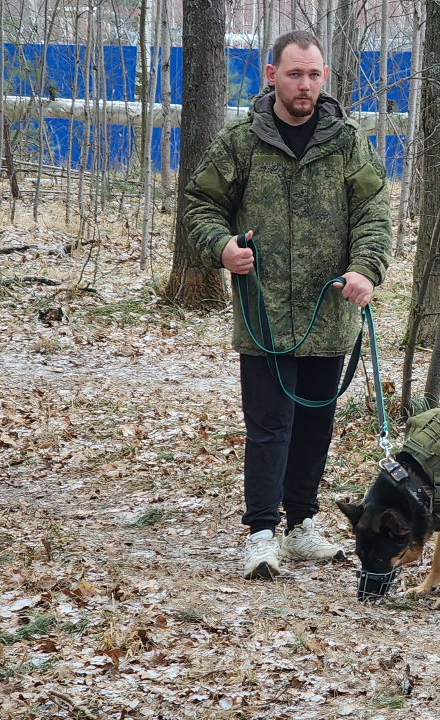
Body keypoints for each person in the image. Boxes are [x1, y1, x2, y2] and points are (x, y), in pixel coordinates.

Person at [182, 30, 392, 580]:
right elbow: (201, 204)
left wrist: (365, 269)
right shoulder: (240, 142)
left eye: (314, 74)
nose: (305, 85)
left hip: (330, 311)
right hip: (265, 313)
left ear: (325, 77)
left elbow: (374, 212)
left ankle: (301, 524)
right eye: (295, 74)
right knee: (269, 425)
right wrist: (222, 248)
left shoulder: (348, 141)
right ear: (271, 75)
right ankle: (260, 533)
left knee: (315, 425)